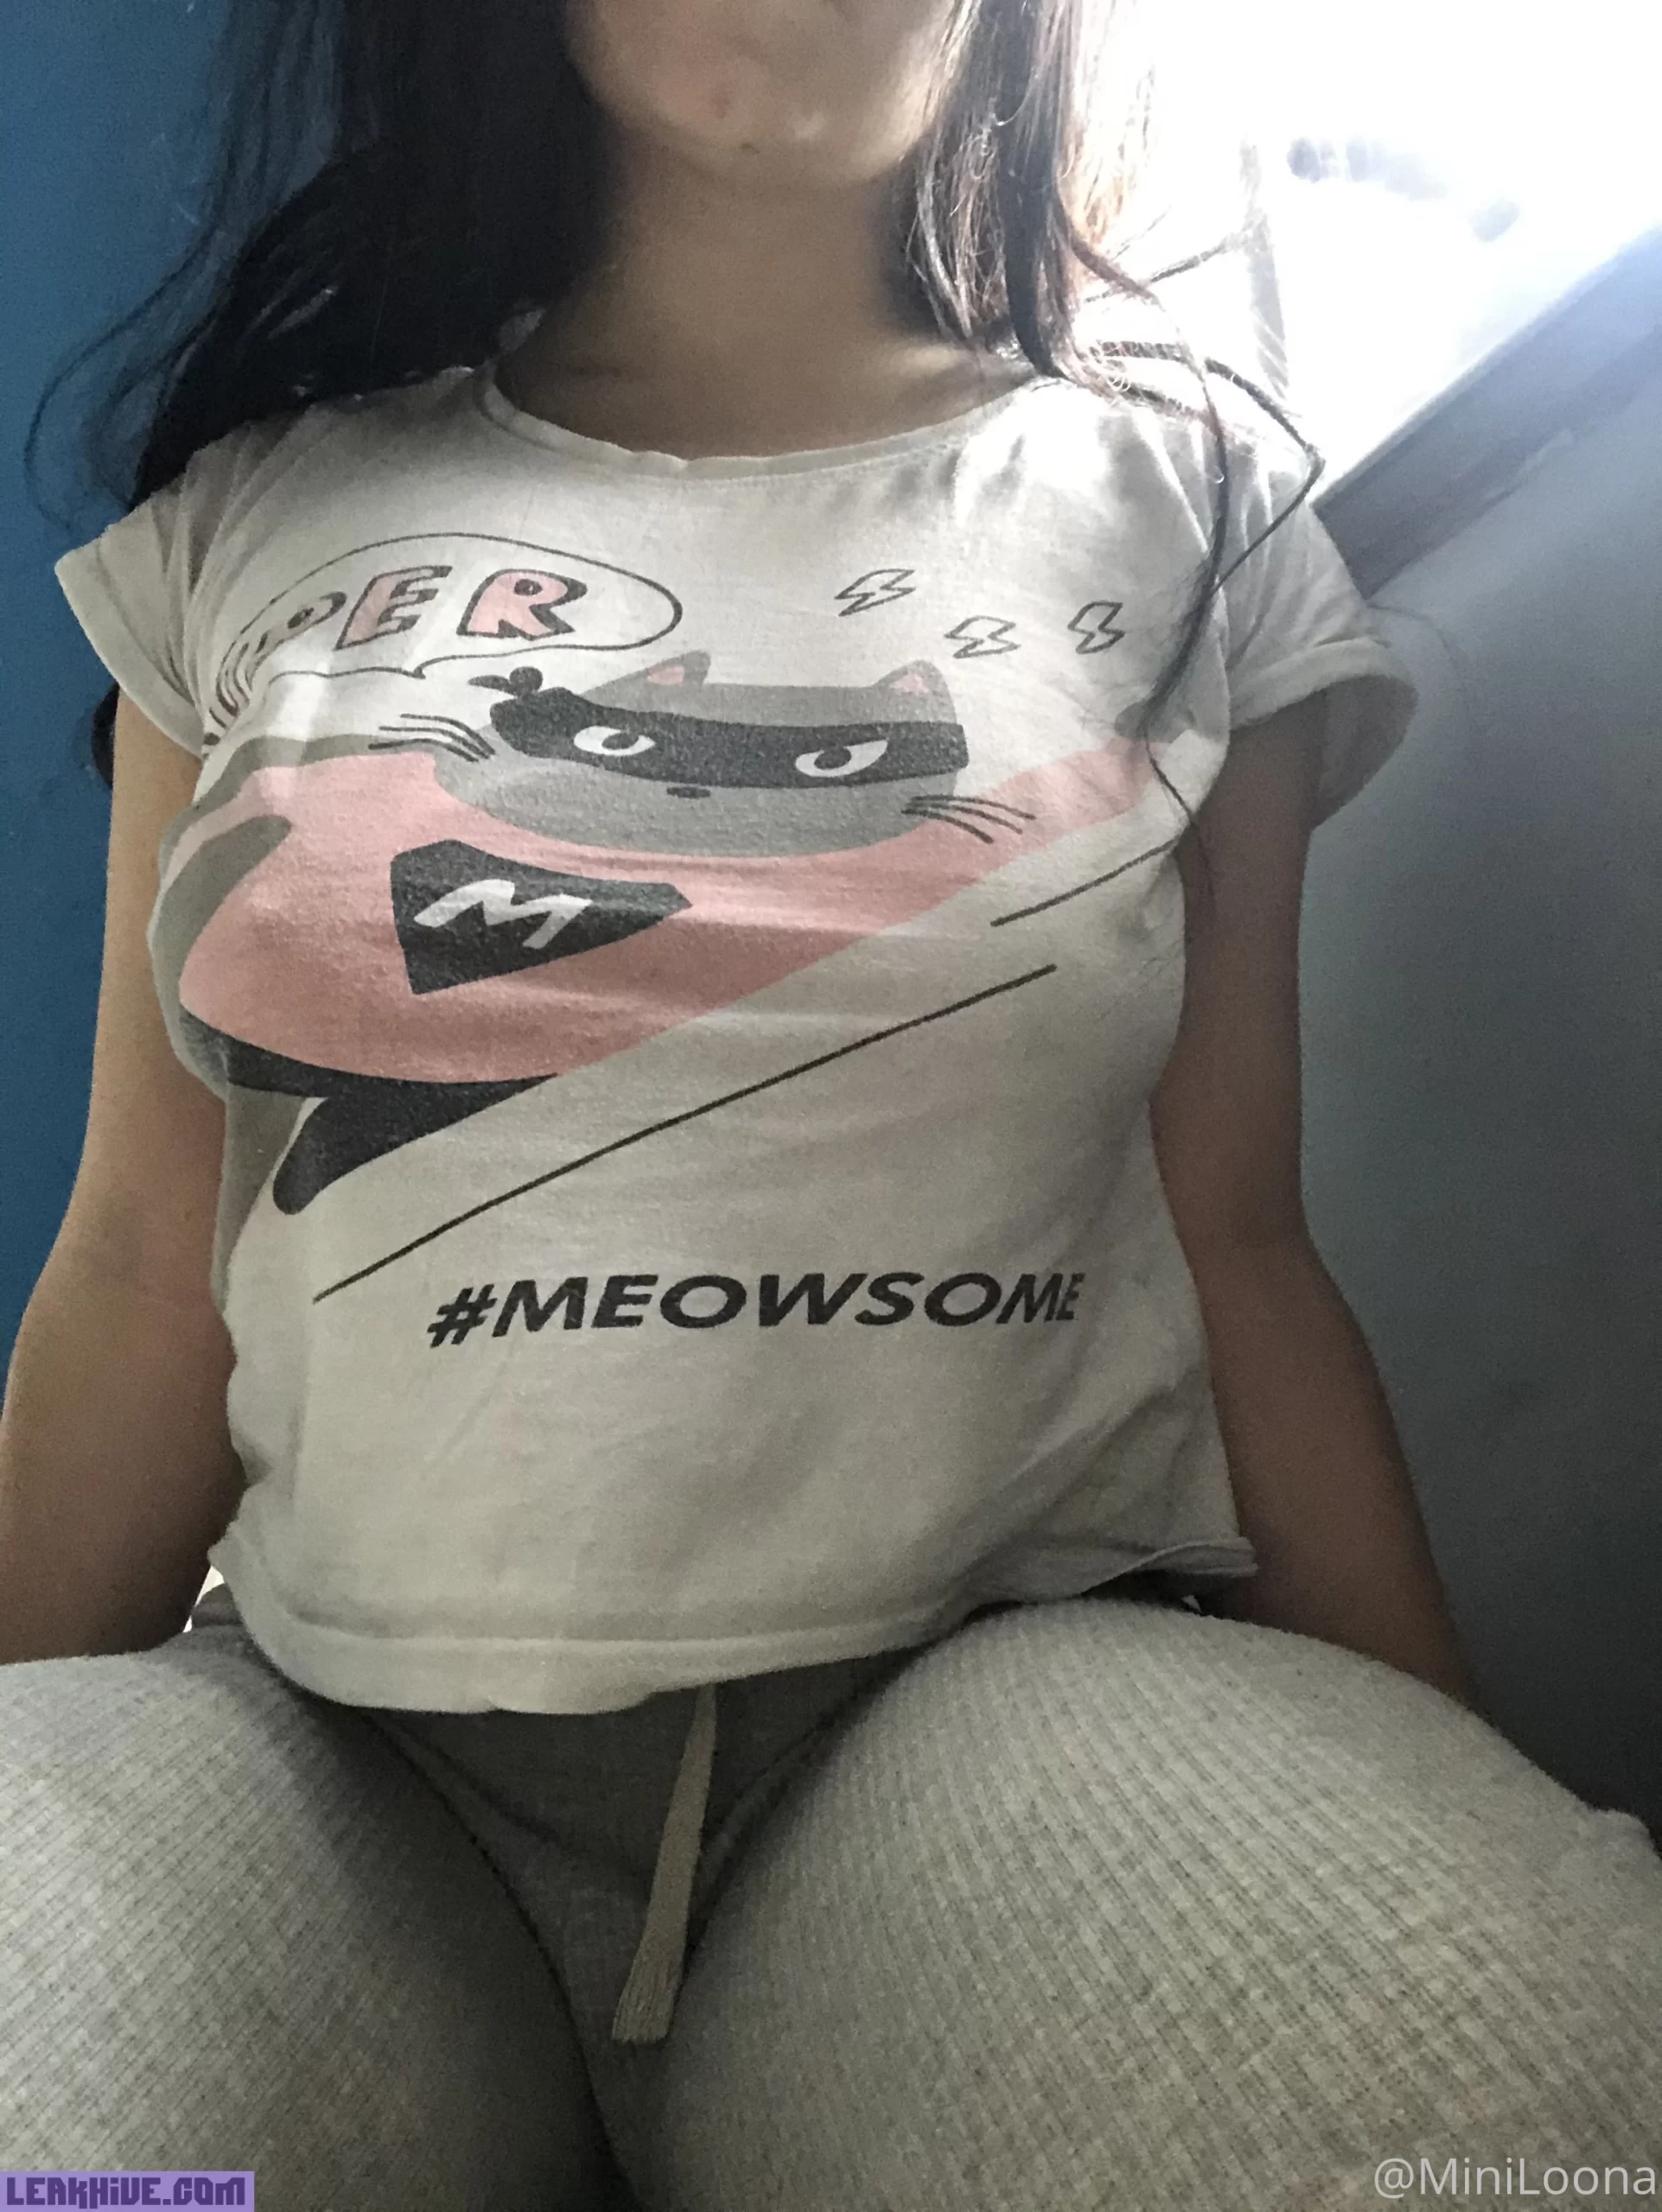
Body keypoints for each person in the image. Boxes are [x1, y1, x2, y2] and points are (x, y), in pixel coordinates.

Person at [4, 2, 1659, 2205]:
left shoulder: (1186, 510)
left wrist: (1439, 1817)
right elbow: (145, 1273)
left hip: (978, 1707)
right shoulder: (249, 517)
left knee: (1508, 2113)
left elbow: (1238, 1243)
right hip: (333, 1756)